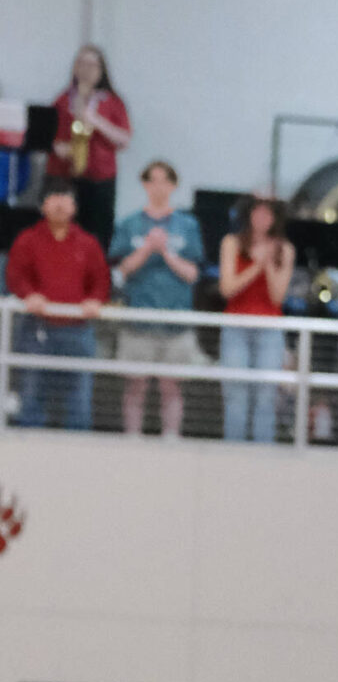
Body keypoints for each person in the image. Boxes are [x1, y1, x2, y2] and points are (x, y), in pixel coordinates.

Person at [109, 161, 204, 439]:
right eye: (153, 180)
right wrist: (147, 248)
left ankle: (171, 437)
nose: (159, 186)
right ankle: (132, 437)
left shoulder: (187, 225)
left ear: (173, 186)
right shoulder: (129, 223)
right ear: (145, 184)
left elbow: (193, 273)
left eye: (165, 180)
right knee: (135, 385)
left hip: (175, 319)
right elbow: (119, 271)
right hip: (138, 318)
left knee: (171, 385)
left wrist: (165, 253)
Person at [5, 182, 109, 430]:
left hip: (78, 331)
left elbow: (101, 279)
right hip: (37, 329)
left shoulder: (87, 243)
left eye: (66, 199)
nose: (60, 204)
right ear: (43, 205)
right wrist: (29, 295)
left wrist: (95, 299)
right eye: (54, 198)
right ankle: (28, 451)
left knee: (79, 397)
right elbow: (15, 275)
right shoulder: (27, 240)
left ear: (75, 207)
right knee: (32, 392)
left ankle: (79, 454)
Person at [218, 196, 294, 445]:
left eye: (268, 214)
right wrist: (255, 266)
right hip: (236, 326)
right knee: (236, 394)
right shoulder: (232, 243)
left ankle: (264, 455)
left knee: (266, 396)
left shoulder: (285, 249)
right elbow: (227, 288)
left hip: (270, 329)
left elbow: (277, 296)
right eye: (257, 213)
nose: (262, 219)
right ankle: (233, 451)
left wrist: (269, 263)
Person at [45, 45, 130, 250]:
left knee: (97, 237)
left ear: (102, 70)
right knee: (61, 236)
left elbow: (124, 139)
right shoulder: (63, 100)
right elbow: (46, 136)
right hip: (64, 179)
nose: (86, 69)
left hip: (100, 180)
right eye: (81, 63)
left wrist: (95, 119)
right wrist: (57, 147)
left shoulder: (112, 101)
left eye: (92, 64)